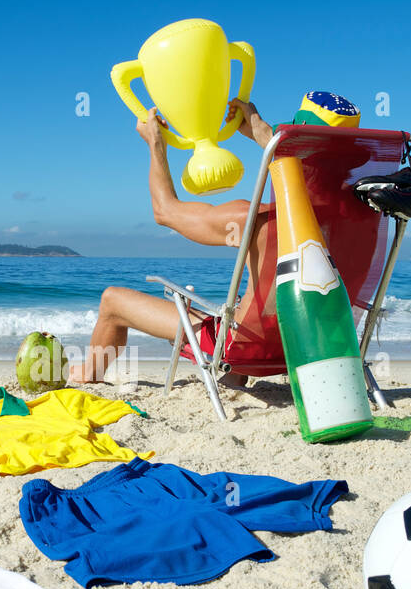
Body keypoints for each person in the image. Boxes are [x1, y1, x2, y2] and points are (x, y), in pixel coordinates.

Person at [68, 99, 278, 385]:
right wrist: (264, 135)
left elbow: (165, 211)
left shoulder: (258, 219)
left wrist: (156, 144)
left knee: (112, 301)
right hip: (305, 349)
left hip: (247, 349)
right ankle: (234, 377)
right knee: (250, 304)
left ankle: (88, 374)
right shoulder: (356, 218)